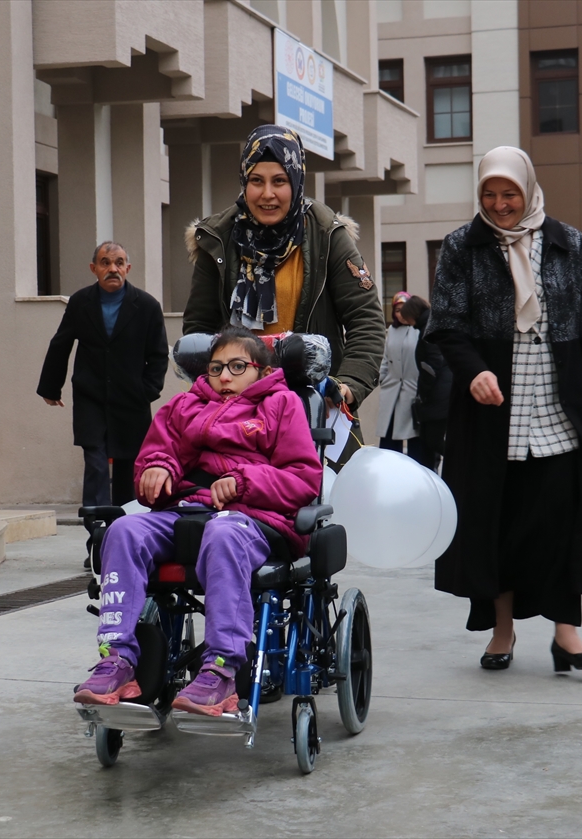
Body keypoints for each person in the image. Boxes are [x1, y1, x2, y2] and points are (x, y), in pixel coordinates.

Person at [426, 146, 582, 673]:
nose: (499, 205)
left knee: (563, 524)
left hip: (556, 410)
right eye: (490, 195)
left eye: (509, 194)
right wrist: (474, 372)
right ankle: (502, 632)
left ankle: (567, 634)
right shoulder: (460, 247)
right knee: (498, 525)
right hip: (492, 415)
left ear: (528, 189)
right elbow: (446, 325)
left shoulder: (567, 244)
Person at [73, 327, 322, 715]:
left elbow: (304, 478)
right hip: (185, 510)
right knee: (122, 530)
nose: (224, 376)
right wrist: (156, 471)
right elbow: (156, 454)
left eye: (238, 366)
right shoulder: (184, 406)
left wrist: (243, 482)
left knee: (223, 532)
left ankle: (221, 671)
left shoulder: (281, 404)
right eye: (216, 367)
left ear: (262, 370)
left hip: (252, 518)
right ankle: (117, 660)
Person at [183, 125, 384, 425]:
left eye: (279, 181)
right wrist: (216, 386)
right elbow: (198, 330)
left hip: (314, 410)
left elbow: (366, 321)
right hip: (236, 413)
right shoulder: (218, 238)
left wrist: (347, 386)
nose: (267, 194)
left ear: (297, 180)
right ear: (244, 182)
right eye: (256, 181)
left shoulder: (327, 235)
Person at [37, 242, 169, 550]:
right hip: (91, 397)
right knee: (95, 464)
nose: (113, 268)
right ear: (93, 268)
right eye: (106, 262)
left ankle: (122, 540)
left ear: (128, 268)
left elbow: (159, 354)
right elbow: (62, 342)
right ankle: (97, 541)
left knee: (128, 471)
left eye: (119, 262)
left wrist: (148, 390)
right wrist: (50, 388)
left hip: (131, 401)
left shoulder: (147, 305)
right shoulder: (82, 302)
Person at [400, 294, 451, 471]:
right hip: (442, 391)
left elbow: (432, 364)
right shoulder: (433, 323)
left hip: (437, 394)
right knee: (433, 440)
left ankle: (453, 466)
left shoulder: (427, 329)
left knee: (432, 440)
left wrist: (424, 392)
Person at [377, 290, 422, 459]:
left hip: (412, 390)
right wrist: (383, 378)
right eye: (397, 310)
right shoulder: (391, 331)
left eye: (404, 309)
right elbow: (385, 358)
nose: (401, 314)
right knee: (389, 438)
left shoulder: (418, 330)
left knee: (414, 438)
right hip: (392, 390)